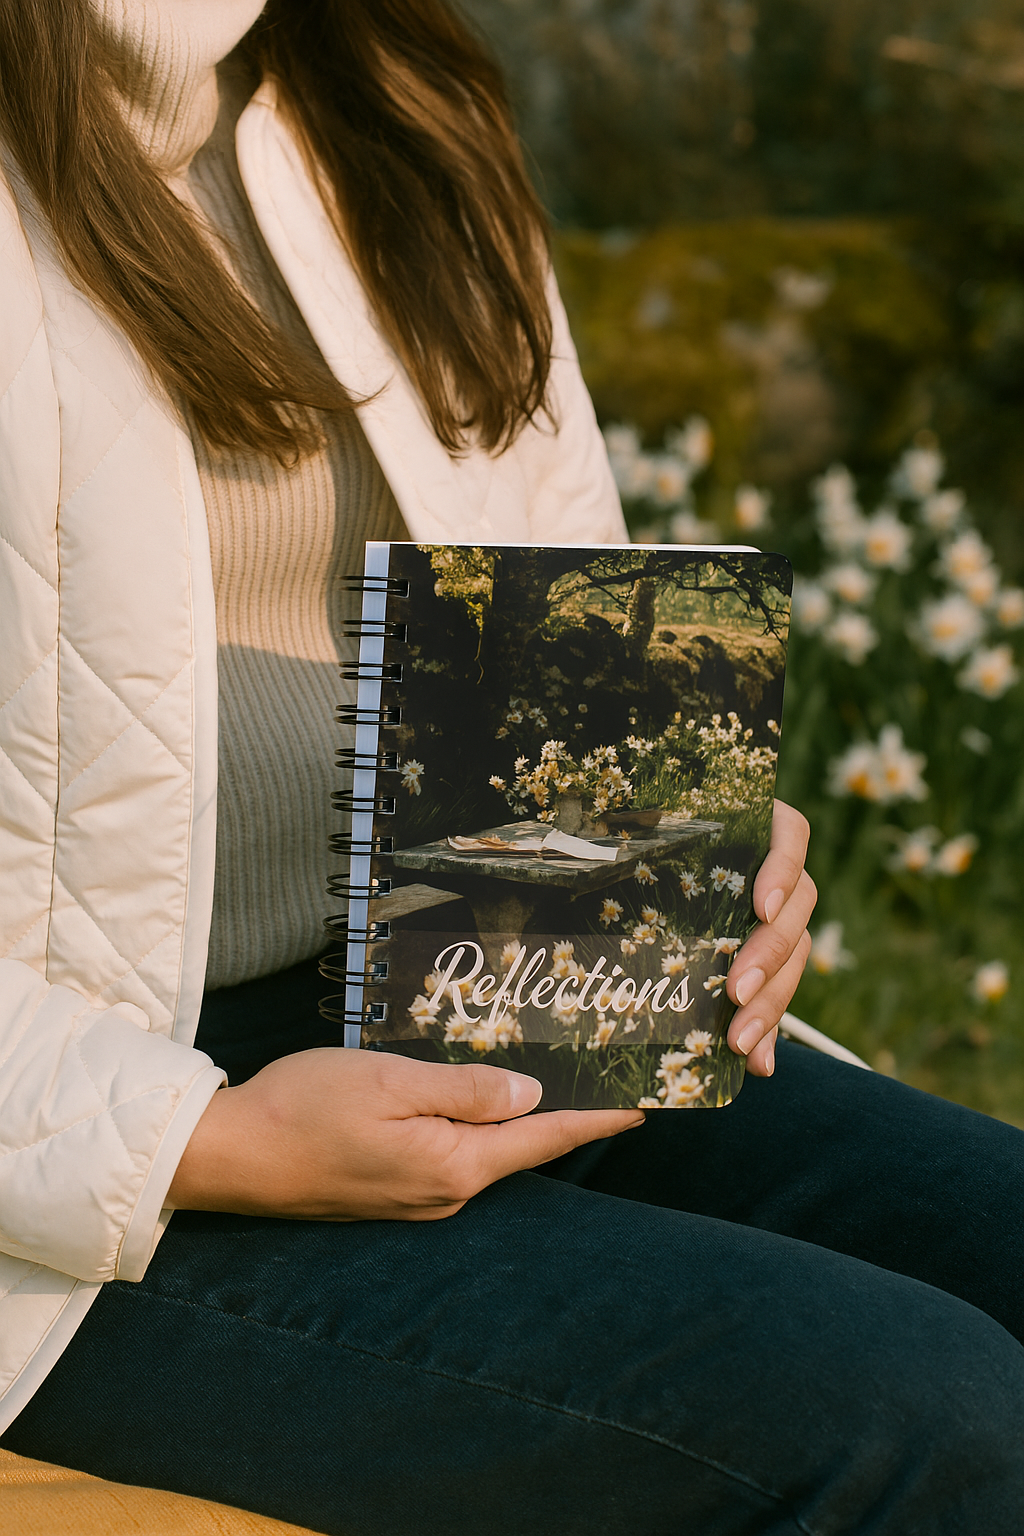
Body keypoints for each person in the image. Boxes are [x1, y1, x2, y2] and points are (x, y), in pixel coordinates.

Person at [0, 3, 1022, 1532]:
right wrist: (198, 1140)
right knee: (921, 1420)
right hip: (82, 1144)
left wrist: (675, 844)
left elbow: (563, 613)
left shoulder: (386, 90)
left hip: (462, 985)